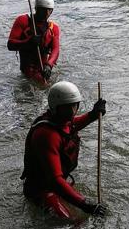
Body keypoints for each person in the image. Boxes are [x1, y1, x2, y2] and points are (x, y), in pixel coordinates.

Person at [21, 81, 107, 220]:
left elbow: (71, 126)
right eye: (68, 107)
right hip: (42, 191)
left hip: (56, 185)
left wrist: (93, 114)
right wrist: (85, 204)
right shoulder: (46, 135)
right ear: (56, 108)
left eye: (75, 105)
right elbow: (55, 180)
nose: (73, 111)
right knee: (75, 222)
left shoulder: (61, 121)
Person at [7, 0, 60, 84]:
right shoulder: (22, 21)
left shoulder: (53, 28)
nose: (47, 13)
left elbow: (56, 49)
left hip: (43, 70)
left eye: (50, 10)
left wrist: (49, 65)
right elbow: (10, 44)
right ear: (36, 9)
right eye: (44, 10)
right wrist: (28, 42)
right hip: (26, 70)